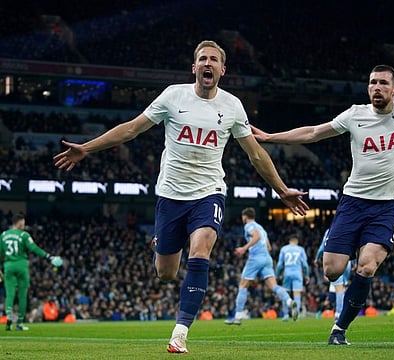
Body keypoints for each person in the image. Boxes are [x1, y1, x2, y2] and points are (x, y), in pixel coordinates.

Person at [53, 40, 308, 354]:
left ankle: (180, 332)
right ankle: (162, 243)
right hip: (171, 195)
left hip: (209, 192)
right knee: (167, 273)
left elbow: (255, 154)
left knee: (201, 248)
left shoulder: (232, 106)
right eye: (202, 59)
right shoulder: (174, 96)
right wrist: (87, 148)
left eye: (214, 60)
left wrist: (281, 189)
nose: (208, 64)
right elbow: (131, 129)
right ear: (194, 67)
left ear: (222, 70)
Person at [251, 8, 394, 345]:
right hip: (352, 203)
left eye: (383, 83)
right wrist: (270, 137)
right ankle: (341, 246)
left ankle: (339, 329)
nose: (375, 87)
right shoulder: (355, 116)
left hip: (385, 207)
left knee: (367, 266)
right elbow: (314, 132)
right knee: (332, 270)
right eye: (372, 82)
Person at [224, 207, 299, 325]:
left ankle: (238, 316)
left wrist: (244, 248)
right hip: (267, 258)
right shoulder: (262, 228)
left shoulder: (249, 226)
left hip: (256, 258)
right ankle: (289, 301)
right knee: (273, 286)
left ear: (245, 216)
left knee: (243, 285)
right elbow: (268, 246)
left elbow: (256, 236)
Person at [0, 212, 63, 331]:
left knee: (10, 294)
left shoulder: (3, 235)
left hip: (8, 266)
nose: (24, 225)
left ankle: (8, 315)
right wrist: (49, 257)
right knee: (22, 295)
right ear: (19, 222)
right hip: (21, 265)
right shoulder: (24, 235)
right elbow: (34, 248)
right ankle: (19, 323)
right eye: (23, 223)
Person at [314, 228, 352, 322]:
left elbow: (322, 247)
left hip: (336, 259)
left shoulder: (330, 230)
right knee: (341, 290)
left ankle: (338, 314)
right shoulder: (349, 228)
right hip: (348, 261)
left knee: (338, 290)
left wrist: (317, 258)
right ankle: (339, 312)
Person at [275, 234, 310, 321]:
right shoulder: (300, 249)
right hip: (297, 273)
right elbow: (305, 265)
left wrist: (276, 275)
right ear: (296, 241)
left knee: (285, 293)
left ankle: (286, 315)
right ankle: (296, 313)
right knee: (297, 294)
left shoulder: (284, 249)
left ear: (289, 241)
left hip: (287, 273)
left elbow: (279, 264)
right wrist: (307, 275)